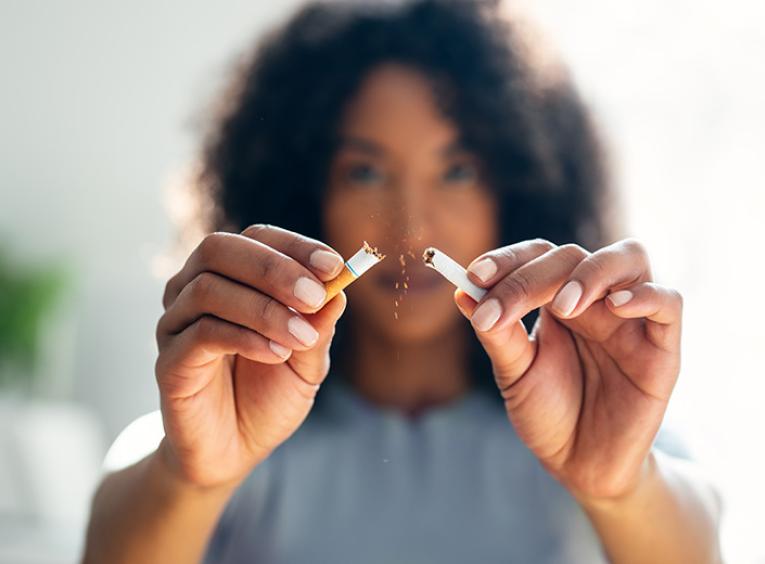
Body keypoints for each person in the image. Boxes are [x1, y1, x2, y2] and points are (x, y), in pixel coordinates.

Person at [83, 1, 722, 562]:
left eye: (459, 170)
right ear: (307, 194)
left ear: (518, 190)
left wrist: (621, 487)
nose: (412, 230)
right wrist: (192, 480)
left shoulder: (600, 417)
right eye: (365, 173)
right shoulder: (213, 429)